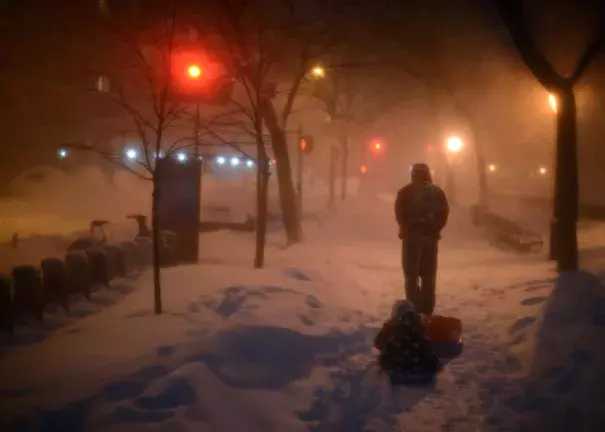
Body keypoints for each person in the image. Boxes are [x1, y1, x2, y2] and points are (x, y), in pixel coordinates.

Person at [394, 163, 449, 315]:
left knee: (411, 277)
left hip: (411, 239)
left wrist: (406, 228)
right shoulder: (437, 192)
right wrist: (435, 229)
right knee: (428, 277)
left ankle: (413, 310)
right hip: (430, 240)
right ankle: (427, 312)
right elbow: (444, 214)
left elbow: (399, 213)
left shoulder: (405, 191)